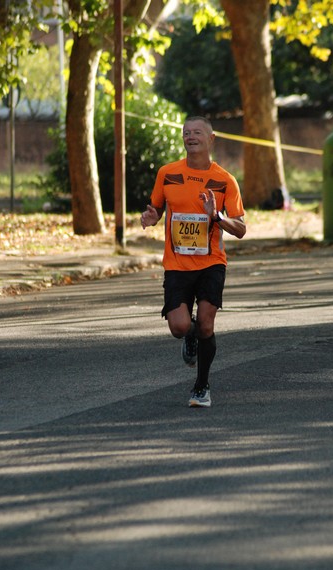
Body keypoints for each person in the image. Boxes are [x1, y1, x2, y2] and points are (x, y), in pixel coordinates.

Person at [141, 116, 246, 407]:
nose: (191, 137)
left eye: (197, 132)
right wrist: (151, 217)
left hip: (211, 262)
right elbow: (157, 208)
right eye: (187, 133)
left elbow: (241, 228)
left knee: (207, 325)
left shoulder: (225, 180)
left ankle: (202, 386)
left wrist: (217, 216)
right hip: (176, 264)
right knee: (179, 326)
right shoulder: (167, 173)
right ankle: (189, 334)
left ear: (211, 138)